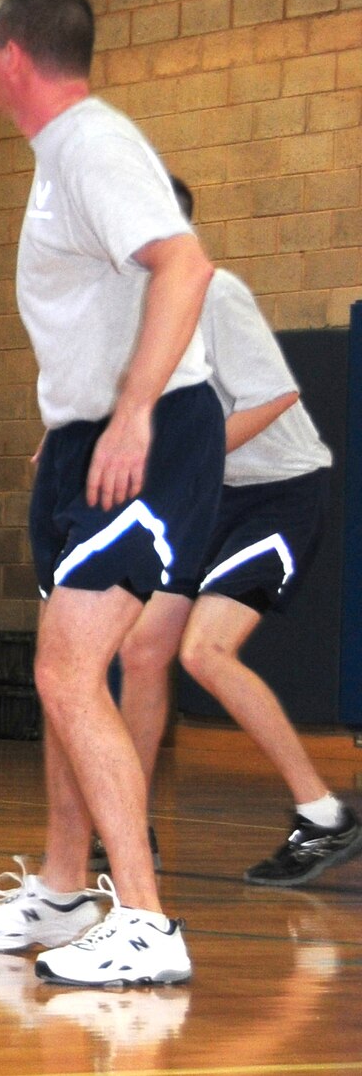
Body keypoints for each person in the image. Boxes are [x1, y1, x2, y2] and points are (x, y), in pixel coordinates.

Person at [0, 0, 219, 987]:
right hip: (79, 440)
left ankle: (143, 919)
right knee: (60, 674)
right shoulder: (57, 156)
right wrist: (68, 422)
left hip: (144, 438)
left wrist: (134, 409)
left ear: (6, 54)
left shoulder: (93, 143)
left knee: (67, 670)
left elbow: (181, 266)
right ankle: (63, 889)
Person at [109, 178, 356, 887]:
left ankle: (324, 815)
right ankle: (130, 819)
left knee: (205, 651)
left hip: (278, 494)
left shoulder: (215, 293)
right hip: (210, 497)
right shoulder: (134, 310)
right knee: (144, 646)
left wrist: (183, 457)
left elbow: (279, 395)